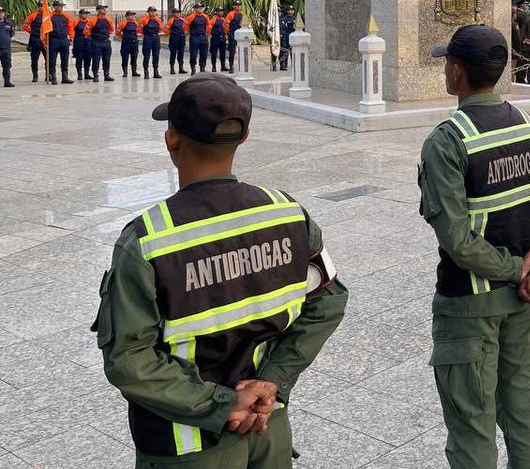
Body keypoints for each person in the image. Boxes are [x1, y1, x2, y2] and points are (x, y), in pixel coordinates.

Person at [95, 73, 347, 468]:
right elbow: (328, 301)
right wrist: (273, 383)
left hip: (187, 443)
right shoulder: (286, 212)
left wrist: (223, 404)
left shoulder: (148, 239)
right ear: (242, 138)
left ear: (171, 139)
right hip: (268, 430)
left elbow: (129, 359)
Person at [420, 25, 530, 469]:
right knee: (520, 407)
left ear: (458, 70)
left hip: (470, 304)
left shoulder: (448, 140)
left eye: (448, 62)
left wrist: (517, 270)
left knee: (472, 425)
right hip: (524, 302)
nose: (446, 69)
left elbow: (456, 239)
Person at [46, 0, 74, 84]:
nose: (61, 8)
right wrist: (44, 41)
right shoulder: (50, 16)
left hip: (64, 40)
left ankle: (65, 77)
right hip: (53, 40)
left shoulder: (66, 16)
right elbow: (45, 29)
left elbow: (70, 27)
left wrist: (71, 37)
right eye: (59, 6)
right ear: (54, 7)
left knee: (65, 59)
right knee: (52, 60)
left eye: (61, 6)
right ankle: (53, 77)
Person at [88, 5, 115, 82]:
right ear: (98, 10)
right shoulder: (93, 20)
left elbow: (111, 29)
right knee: (96, 59)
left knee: (106, 59)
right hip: (96, 42)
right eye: (103, 9)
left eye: (105, 9)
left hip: (106, 42)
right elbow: (86, 31)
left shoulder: (108, 20)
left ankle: (106, 75)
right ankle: (95, 75)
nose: (104, 10)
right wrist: (94, 37)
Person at [184, 3, 213, 74]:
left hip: (203, 37)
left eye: (201, 8)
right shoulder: (191, 17)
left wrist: (207, 32)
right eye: (198, 8)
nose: (200, 9)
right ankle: (193, 68)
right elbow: (185, 26)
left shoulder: (205, 16)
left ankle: (202, 68)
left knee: (204, 53)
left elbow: (208, 25)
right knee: (193, 53)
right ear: (195, 9)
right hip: (194, 37)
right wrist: (191, 32)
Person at [118, 10, 142, 78]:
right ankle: (125, 72)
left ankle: (134, 71)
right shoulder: (123, 23)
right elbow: (118, 32)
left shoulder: (136, 23)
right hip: (126, 42)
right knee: (125, 57)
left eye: (132, 15)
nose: (132, 17)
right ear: (127, 16)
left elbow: (139, 31)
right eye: (131, 15)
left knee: (134, 57)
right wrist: (122, 37)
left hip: (134, 42)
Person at [141, 6, 164, 79]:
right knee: (146, 55)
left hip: (156, 38)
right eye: (151, 11)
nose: (153, 12)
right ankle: (146, 72)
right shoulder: (144, 20)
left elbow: (161, 28)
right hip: (148, 37)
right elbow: (139, 28)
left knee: (156, 55)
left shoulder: (158, 19)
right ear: (148, 12)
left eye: (154, 11)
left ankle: (156, 71)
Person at [73, 8, 92, 81]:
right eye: (84, 13)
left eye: (86, 14)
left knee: (88, 58)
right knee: (79, 58)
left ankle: (87, 74)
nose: (85, 15)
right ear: (80, 14)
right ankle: (79, 74)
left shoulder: (89, 22)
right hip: (78, 41)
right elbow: (71, 30)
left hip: (88, 41)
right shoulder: (75, 22)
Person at [167, 7, 187, 75]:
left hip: (181, 38)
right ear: (173, 13)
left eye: (179, 12)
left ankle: (181, 68)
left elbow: (187, 27)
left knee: (181, 53)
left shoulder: (182, 20)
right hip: (174, 39)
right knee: (173, 54)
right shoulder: (171, 20)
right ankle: (172, 68)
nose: (178, 14)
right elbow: (166, 29)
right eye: (176, 13)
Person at [226, 1, 244, 73]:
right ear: (233, 6)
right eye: (237, 5)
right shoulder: (231, 14)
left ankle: (242, 66)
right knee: (232, 51)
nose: (238, 6)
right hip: (232, 34)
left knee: (242, 50)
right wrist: (228, 32)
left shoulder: (242, 14)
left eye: (239, 5)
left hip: (241, 34)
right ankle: (231, 66)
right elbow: (226, 24)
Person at [0, 6, 14, 87]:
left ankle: (7, 82)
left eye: (2, 12)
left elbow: (11, 34)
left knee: (7, 66)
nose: (1, 14)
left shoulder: (9, 23)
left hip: (6, 49)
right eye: (0, 12)